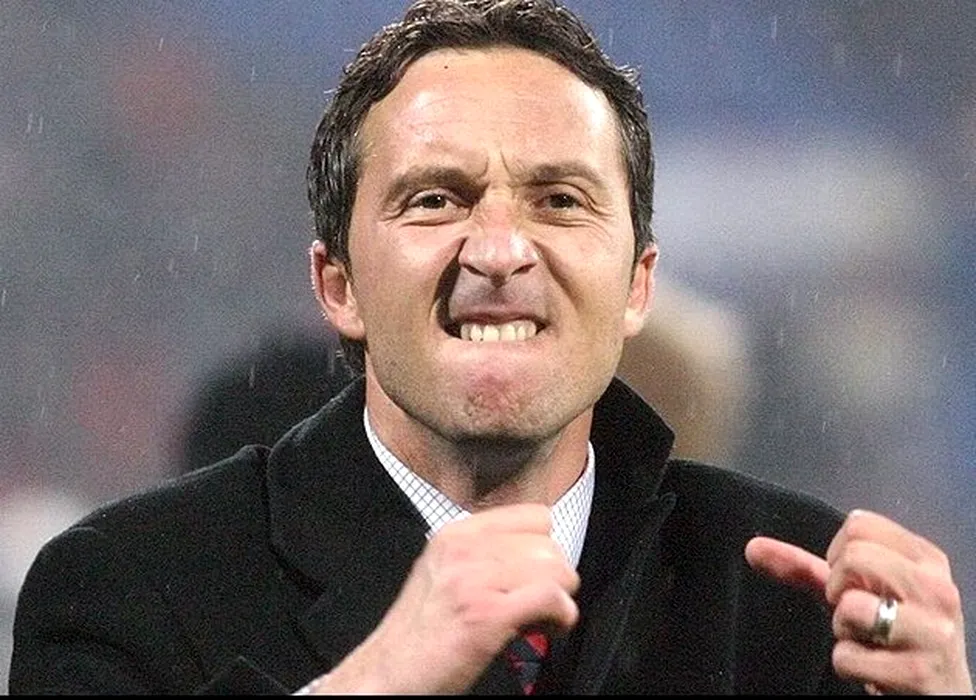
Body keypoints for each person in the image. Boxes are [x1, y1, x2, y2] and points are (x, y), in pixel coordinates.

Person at [8, 0, 972, 694]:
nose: (502, 250)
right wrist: (382, 680)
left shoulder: (792, 598)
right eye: (437, 199)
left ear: (638, 284)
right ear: (338, 285)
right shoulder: (127, 588)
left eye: (560, 200)